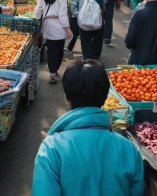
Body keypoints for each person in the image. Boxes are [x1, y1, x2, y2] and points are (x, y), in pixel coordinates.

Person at [32, 60, 144, 196]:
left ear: (66, 98)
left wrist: (52, 143)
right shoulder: (130, 149)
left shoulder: (51, 149)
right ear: (105, 97)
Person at [34, 0, 72, 84]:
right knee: (59, 49)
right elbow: (63, 13)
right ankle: (54, 71)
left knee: (51, 50)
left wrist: (36, 19)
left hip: (48, 25)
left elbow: (38, 11)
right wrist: (67, 28)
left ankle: (52, 72)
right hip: (59, 25)